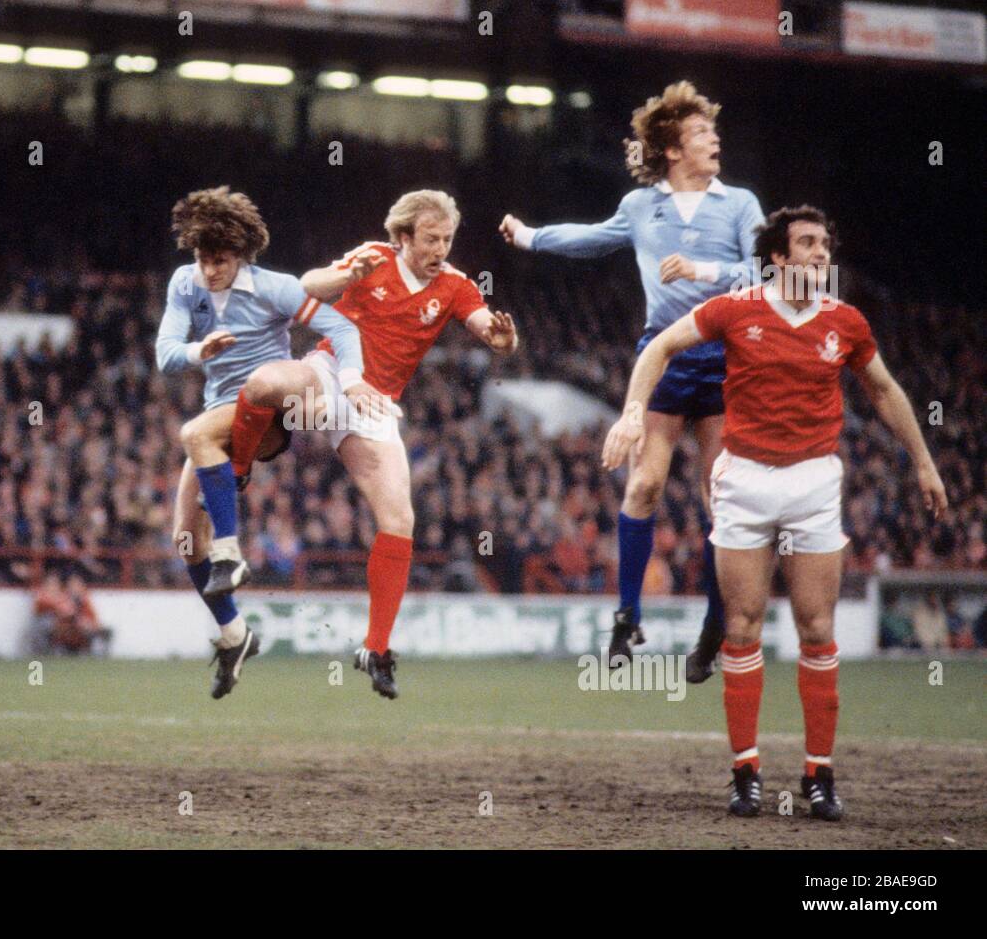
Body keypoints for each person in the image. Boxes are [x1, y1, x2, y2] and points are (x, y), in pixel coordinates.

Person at [602, 205, 948, 820]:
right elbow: (659, 346)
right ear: (779, 258)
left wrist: (923, 460)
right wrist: (633, 412)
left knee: (817, 630)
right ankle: (746, 773)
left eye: (825, 244)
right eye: (808, 243)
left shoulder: (845, 321)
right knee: (742, 628)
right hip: (744, 480)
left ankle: (819, 775)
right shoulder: (736, 309)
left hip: (814, 483)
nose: (821, 253)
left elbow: (886, 389)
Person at [501, 81, 765, 683]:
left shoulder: (740, 204)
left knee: (720, 501)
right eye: (702, 133)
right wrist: (531, 237)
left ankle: (714, 624)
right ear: (672, 147)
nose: (714, 139)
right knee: (643, 486)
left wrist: (705, 268)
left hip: (727, 357)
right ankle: (626, 617)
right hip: (665, 357)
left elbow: (764, 269)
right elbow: (593, 237)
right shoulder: (643, 206)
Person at [226, 189, 519, 698]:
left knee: (400, 520)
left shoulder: (453, 286)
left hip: (375, 406)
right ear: (403, 236)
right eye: (430, 239)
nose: (440, 248)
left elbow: (486, 328)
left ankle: (376, 649)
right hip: (330, 372)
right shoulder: (373, 258)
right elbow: (308, 285)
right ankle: (237, 472)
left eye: (446, 239)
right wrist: (347, 277)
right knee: (263, 386)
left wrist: (502, 339)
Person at [155, 186, 365, 698]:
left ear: (242, 253)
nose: (209, 270)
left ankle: (232, 552)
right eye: (202, 258)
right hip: (219, 418)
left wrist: (355, 378)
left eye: (220, 260)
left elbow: (341, 329)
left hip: (267, 417)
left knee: (192, 433)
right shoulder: (186, 285)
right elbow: (165, 354)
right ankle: (235, 635)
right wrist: (196, 349)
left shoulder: (277, 288)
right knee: (185, 541)